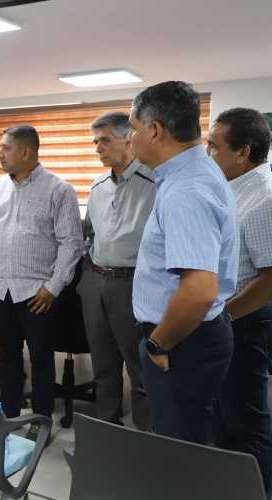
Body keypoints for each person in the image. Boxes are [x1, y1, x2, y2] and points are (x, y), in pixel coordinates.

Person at [130, 81, 239, 445]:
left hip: (181, 342)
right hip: (189, 338)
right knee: (188, 440)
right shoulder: (189, 175)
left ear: (155, 130)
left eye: (133, 128)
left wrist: (158, 345)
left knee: (181, 449)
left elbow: (198, 292)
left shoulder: (187, 189)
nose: (131, 138)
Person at [0, 125, 84, 421]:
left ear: (26, 151)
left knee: (41, 360)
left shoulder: (59, 190)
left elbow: (71, 244)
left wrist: (54, 287)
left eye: (5, 148)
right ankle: (9, 415)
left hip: (37, 294)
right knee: (7, 359)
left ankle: (40, 420)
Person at [208, 107, 272, 497]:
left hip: (244, 320)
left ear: (243, 152)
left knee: (246, 419)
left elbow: (269, 279)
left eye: (214, 147)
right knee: (223, 414)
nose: (208, 154)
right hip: (224, 317)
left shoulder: (263, 198)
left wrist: (223, 317)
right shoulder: (234, 188)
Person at [77, 112, 154, 430]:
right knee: (103, 366)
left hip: (133, 284)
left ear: (129, 138)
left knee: (141, 372)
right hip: (96, 282)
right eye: (95, 141)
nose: (98, 147)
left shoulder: (155, 183)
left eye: (105, 140)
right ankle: (106, 432)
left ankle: (145, 441)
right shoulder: (97, 186)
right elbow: (88, 233)